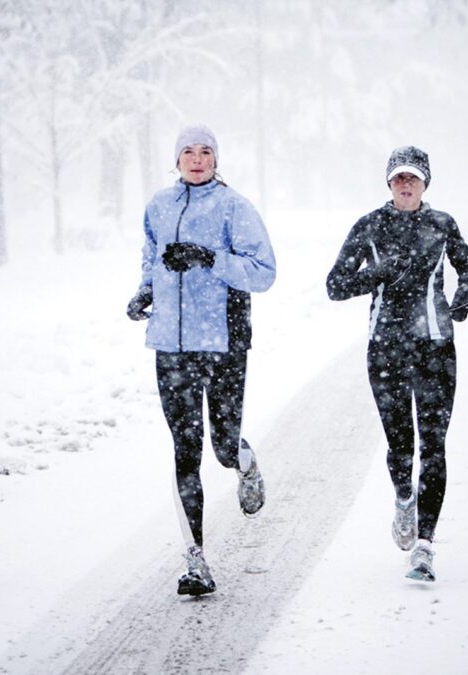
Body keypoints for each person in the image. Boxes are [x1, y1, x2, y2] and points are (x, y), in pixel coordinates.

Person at [126, 124, 276, 596]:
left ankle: (244, 464)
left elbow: (264, 272)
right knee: (184, 452)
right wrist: (144, 292)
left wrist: (209, 257)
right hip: (171, 347)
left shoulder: (234, 207)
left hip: (224, 342)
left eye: (205, 151)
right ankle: (196, 562)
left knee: (223, 445)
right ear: (175, 160)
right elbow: (152, 259)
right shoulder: (158, 206)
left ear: (216, 159)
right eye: (187, 152)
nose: (196, 159)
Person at [325, 145, 468, 582]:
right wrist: (376, 273)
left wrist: (467, 292)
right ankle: (404, 499)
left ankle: (425, 547)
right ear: (389, 183)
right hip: (387, 349)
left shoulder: (442, 224)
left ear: (426, 182)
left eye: (413, 177)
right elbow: (334, 286)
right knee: (401, 447)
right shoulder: (370, 226)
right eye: (399, 178)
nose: (406, 184)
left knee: (434, 445)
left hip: (435, 348)